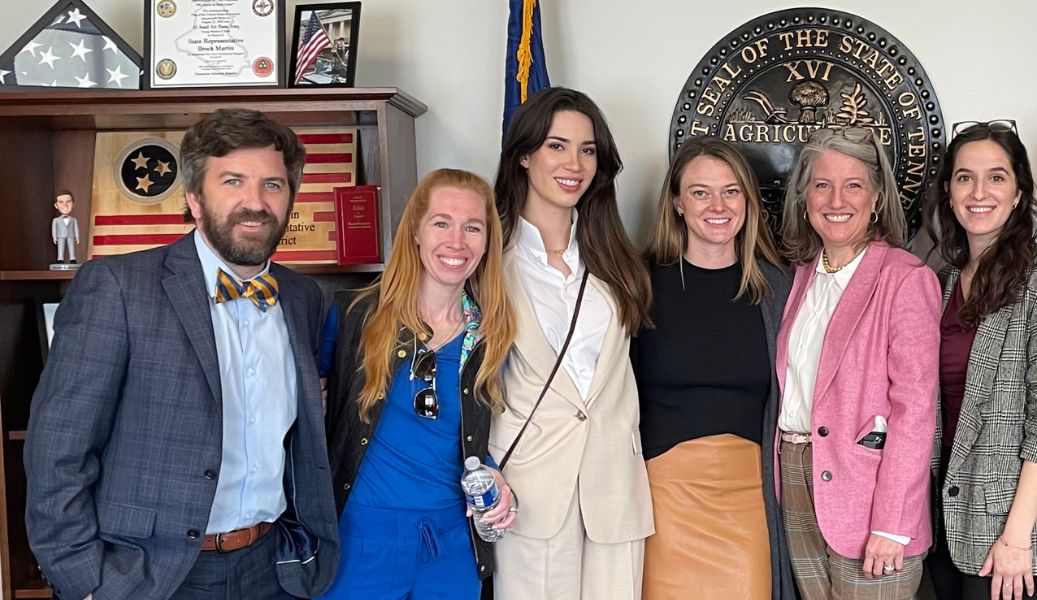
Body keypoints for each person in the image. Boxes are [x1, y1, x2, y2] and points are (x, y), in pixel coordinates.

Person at [25, 108, 338, 600]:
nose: (254, 202)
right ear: (194, 198)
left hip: (273, 569)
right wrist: (84, 580)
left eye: (273, 185)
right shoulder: (118, 287)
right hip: (148, 578)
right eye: (233, 181)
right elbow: (58, 449)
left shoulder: (303, 298)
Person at [319, 169, 518, 598]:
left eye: (472, 227)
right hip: (361, 537)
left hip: (451, 542)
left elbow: (477, 436)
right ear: (415, 232)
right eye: (442, 222)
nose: (457, 241)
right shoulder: (356, 317)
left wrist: (496, 477)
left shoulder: (491, 334)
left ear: (487, 242)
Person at [489, 87, 654, 600]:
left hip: (614, 488)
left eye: (587, 149)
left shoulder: (617, 258)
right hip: (528, 492)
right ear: (524, 154)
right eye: (557, 146)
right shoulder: (487, 258)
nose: (574, 163)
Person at [924, 120, 1037, 600]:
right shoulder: (937, 283)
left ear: (1019, 192)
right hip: (945, 520)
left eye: (996, 177)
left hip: (1015, 532)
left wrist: (1017, 536)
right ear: (949, 192)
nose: (979, 192)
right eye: (964, 177)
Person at [773, 126, 940, 600]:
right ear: (805, 196)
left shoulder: (904, 279)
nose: (835, 199)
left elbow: (915, 411)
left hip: (869, 496)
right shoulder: (801, 276)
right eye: (822, 184)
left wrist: (893, 521)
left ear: (877, 197)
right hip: (796, 476)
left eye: (853, 185)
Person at [633, 137, 795, 600]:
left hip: (750, 495)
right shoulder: (639, 283)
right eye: (701, 192)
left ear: (747, 200)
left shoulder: (777, 288)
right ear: (677, 203)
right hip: (662, 498)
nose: (718, 205)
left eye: (731, 191)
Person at [51, 191, 80, 264]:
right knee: (60, 247)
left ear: (73, 204)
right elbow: (54, 229)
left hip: (71, 235)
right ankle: (60, 259)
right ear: (56, 205)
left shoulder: (73, 220)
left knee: (71, 247)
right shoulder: (56, 220)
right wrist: (54, 237)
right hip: (60, 236)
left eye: (68, 202)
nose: (65, 205)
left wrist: (77, 236)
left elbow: (76, 228)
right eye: (61, 202)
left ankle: (72, 258)